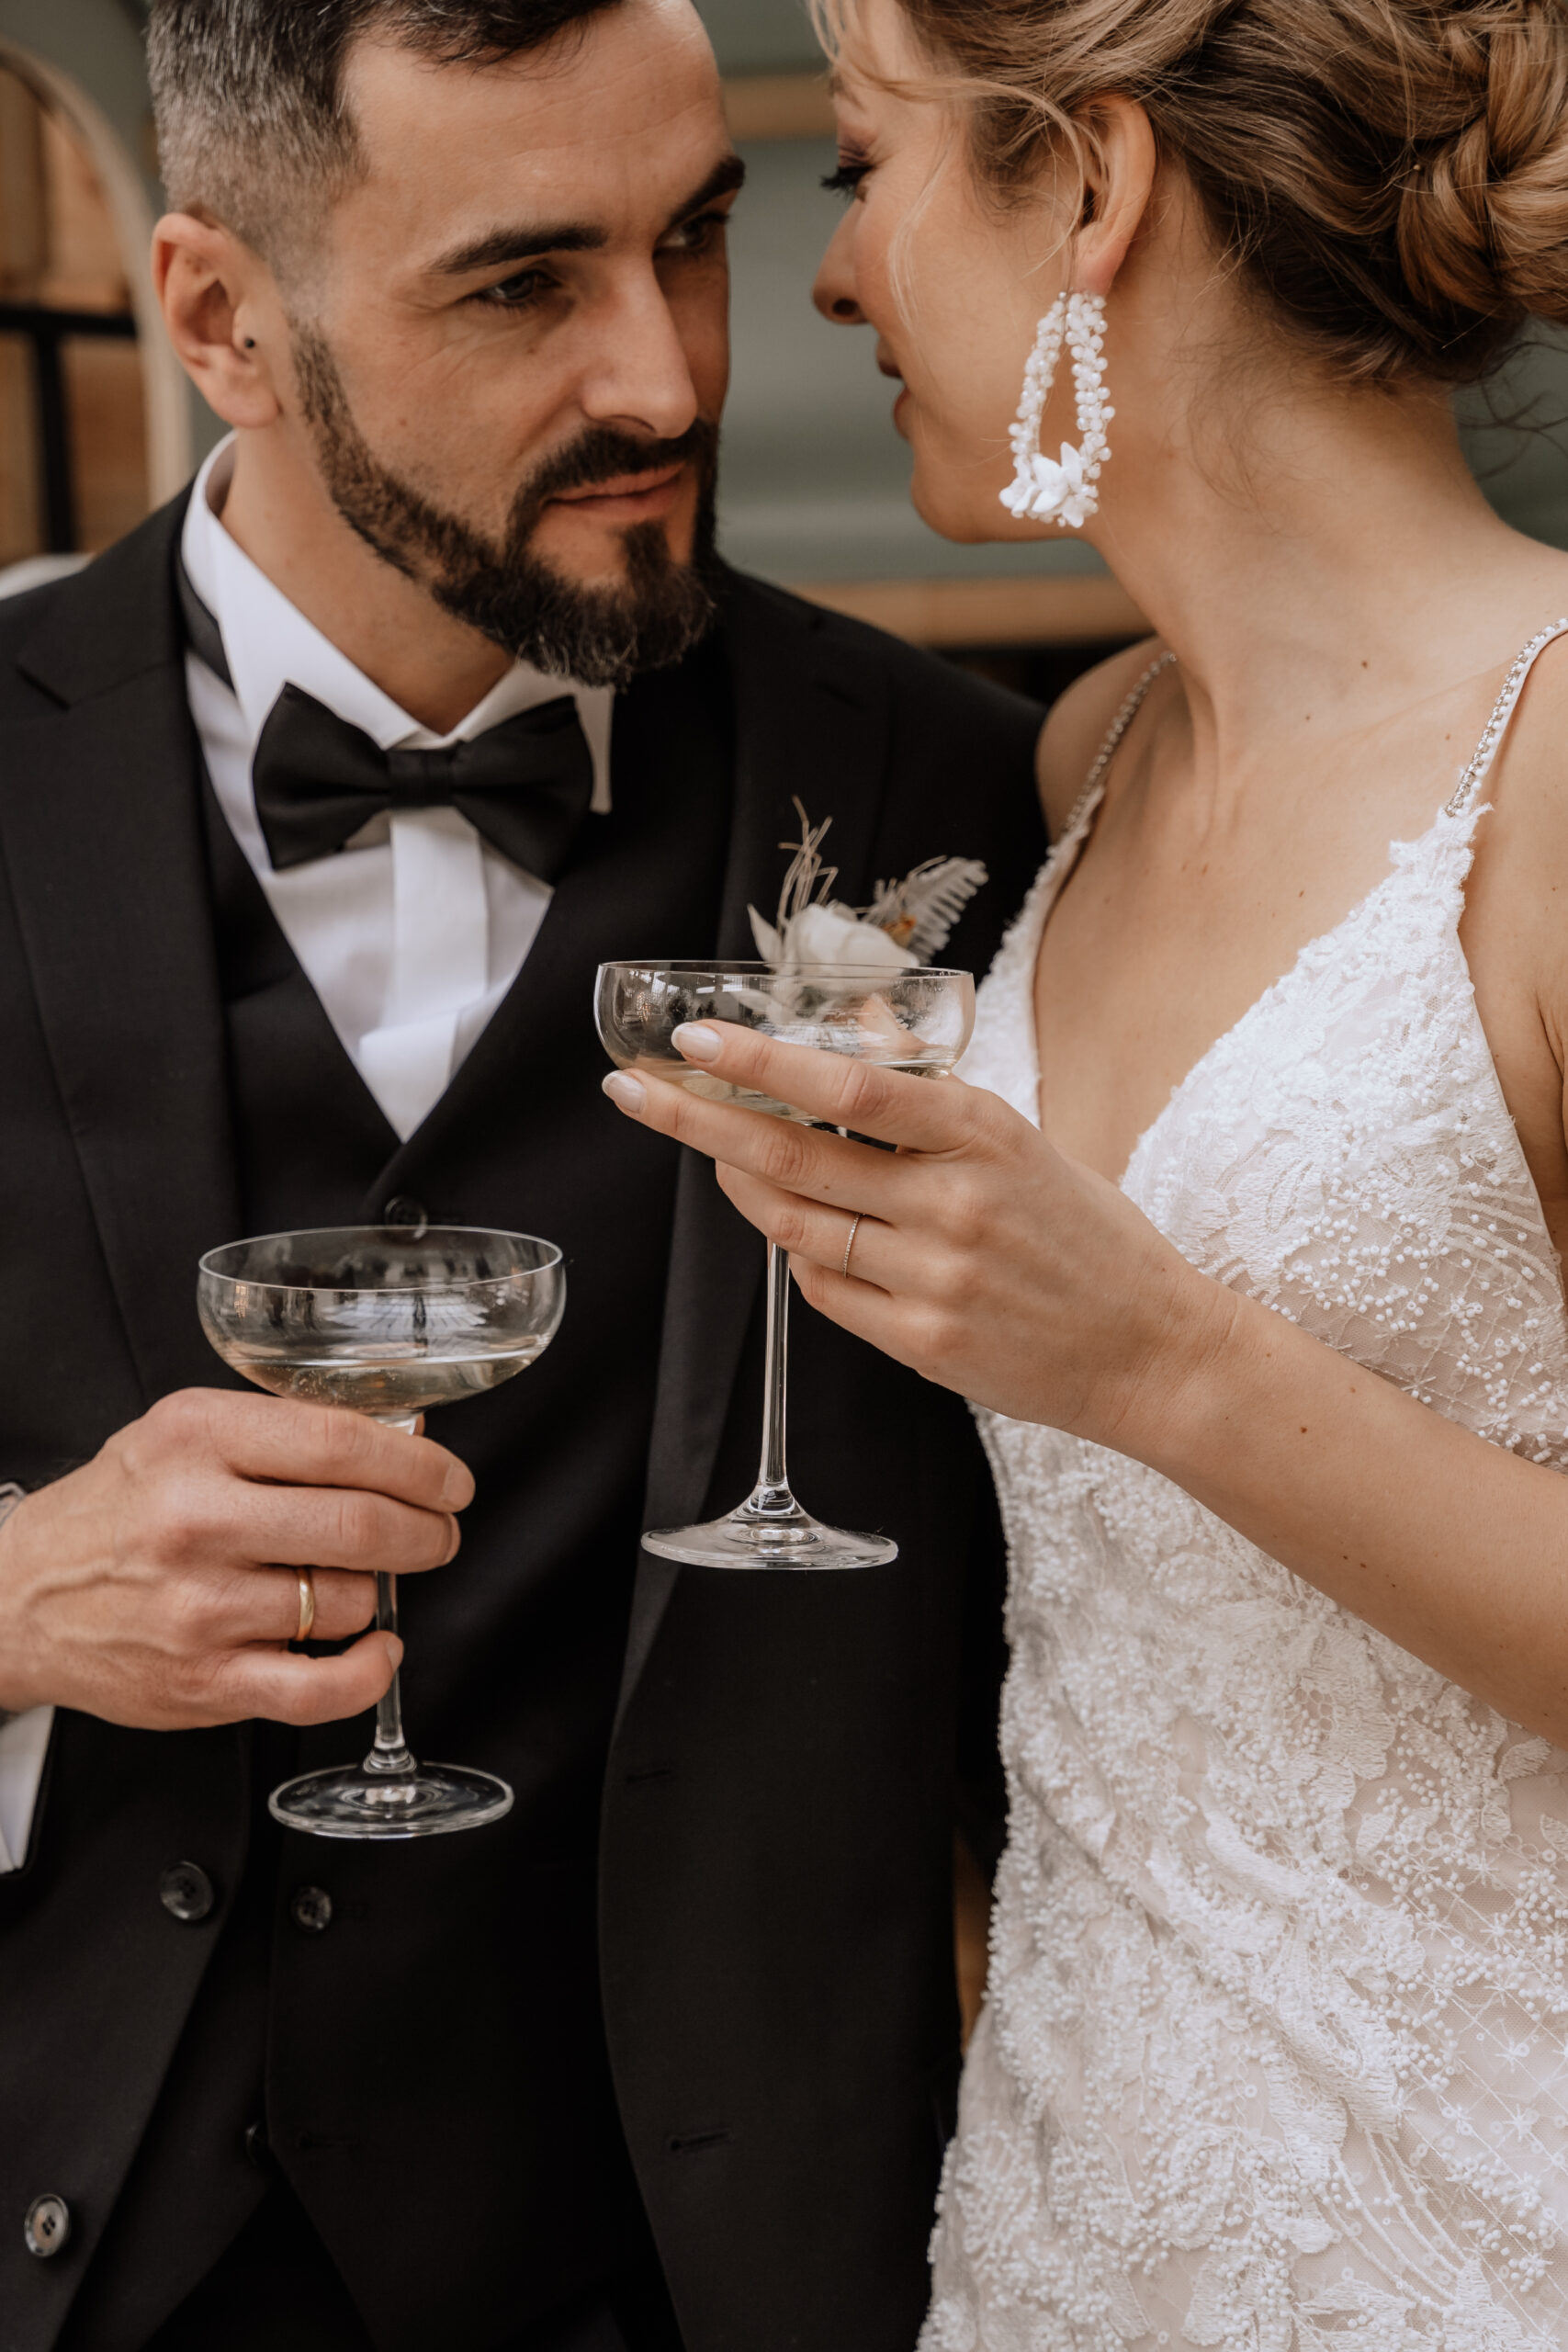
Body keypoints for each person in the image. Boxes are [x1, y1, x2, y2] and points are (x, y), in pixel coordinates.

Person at [0, 3, 1049, 2346]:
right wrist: (14, 1594)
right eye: (520, 282)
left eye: (694, 237)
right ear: (216, 319)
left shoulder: (957, 806)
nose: (671, 379)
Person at [599, 0, 1568, 2341]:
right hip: (1060, 2199)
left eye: (854, 165)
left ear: (1092, 187)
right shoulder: (1082, 757)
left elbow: (1145, 1365)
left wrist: (1146, 1354)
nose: (827, 284)